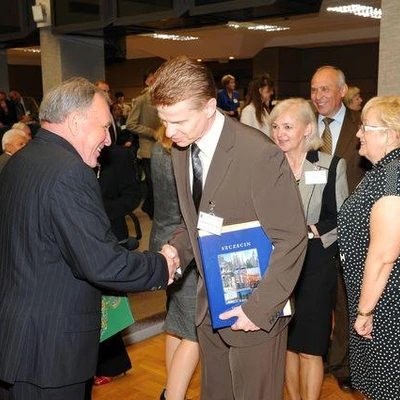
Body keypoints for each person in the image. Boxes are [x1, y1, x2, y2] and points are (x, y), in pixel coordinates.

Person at [0, 77, 179, 399]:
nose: (108, 141)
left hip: (17, 339)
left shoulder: (20, 162)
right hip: (51, 351)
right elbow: (103, 264)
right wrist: (162, 265)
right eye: (104, 128)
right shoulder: (71, 172)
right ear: (77, 121)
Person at [150, 56, 307, 400]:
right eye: (164, 121)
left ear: (209, 107)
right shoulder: (180, 151)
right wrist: (177, 249)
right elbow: (196, 220)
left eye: (178, 121)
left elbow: (292, 239)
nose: (170, 132)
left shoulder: (259, 154)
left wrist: (258, 308)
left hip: (256, 310)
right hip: (210, 308)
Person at [270, 98, 348, 400]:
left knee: (310, 347)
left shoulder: (331, 165)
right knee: (287, 344)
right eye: (276, 126)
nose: (280, 133)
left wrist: (312, 230)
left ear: (306, 129)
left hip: (316, 264)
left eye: (287, 126)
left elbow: (341, 217)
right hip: (278, 264)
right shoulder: (269, 165)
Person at [337, 95, 400, 399]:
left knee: (388, 387)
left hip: (386, 306)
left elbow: (384, 255)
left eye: (365, 126)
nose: (358, 133)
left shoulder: (394, 175)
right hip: (378, 300)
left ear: (390, 135)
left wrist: (365, 310)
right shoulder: (382, 171)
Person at [310, 65, 368, 391]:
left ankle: (343, 364)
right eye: (314, 89)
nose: (318, 96)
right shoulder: (305, 129)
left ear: (342, 91)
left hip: (353, 228)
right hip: (315, 231)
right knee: (317, 296)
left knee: (346, 300)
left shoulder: (361, 129)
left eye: (325, 89)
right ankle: (315, 353)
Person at [149, 127, 199, 400]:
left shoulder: (159, 147)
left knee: (177, 321)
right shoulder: (186, 152)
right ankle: (173, 396)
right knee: (196, 329)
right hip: (183, 245)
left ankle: (170, 390)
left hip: (161, 238)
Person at [126, 69, 161, 220]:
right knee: (154, 186)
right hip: (148, 150)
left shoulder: (163, 99)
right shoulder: (141, 101)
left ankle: (148, 206)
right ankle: (154, 213)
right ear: (148, 81)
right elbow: (130, 124)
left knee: (159, 185)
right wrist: (152, 132)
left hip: (164, 149)